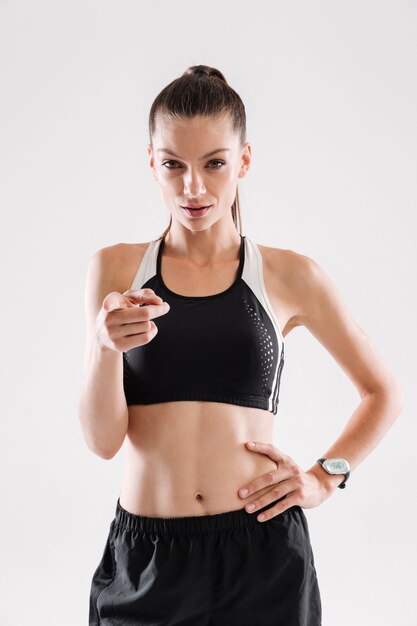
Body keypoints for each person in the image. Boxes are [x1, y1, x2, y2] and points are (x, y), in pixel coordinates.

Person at [79, 65, 404, 626]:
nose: (194, 188)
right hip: (147, 558)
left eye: (215, 163)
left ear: (244, 161)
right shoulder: (116, 270)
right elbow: (102, 441)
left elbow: (384, 391)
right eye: (173, 165)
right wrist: (104, 348)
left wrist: (323, 479)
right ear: (151, 162)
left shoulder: (289, 275)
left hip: (263, 557)